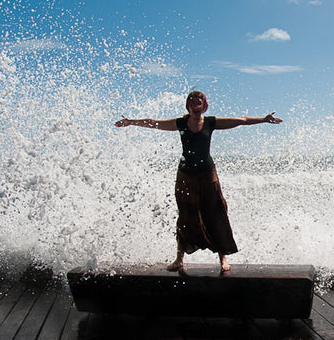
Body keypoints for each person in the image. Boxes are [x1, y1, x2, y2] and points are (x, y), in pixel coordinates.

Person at [115, 90, 282, 273]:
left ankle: (222, 258)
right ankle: (179, 260)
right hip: (185, 176)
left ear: (204, 105)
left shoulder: (210, 122)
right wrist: (132, 122)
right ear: (188, 105)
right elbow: (154, 123)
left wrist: (264, 119)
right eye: (193, 101)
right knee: (185, 216)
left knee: (216, 213)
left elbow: (240, 120)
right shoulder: (181, 123)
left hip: (208, 175)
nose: (196, 103)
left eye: (199, 100)